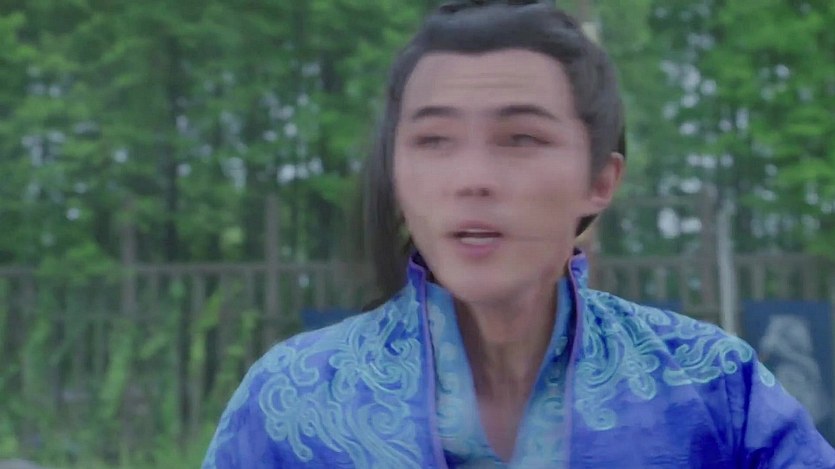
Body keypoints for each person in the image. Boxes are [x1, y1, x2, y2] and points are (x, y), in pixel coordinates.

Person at [202, 1, 835, 467]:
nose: (472, 179)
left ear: (600, 181)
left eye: (521, 138)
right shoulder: (291, 397)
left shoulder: (712, 387)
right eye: (434, 140)